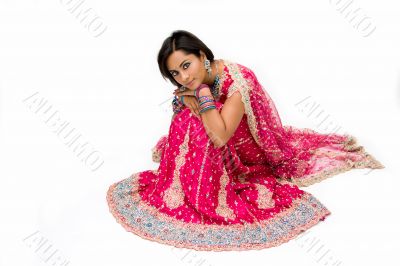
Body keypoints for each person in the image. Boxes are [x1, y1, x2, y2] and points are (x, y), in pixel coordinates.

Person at [106, 30, 384, 251]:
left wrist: (201, 94)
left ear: (202, 55)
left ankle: (205, 187)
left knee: (196, 120)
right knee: (187, 117)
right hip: (219, 134)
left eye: (186, 65)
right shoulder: (193, 81)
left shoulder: (237, 82)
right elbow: (184, 102)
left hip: (246, 149)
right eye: (175, 74)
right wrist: (189, 95)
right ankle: (189, 184)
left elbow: (221, 135)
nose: (184, 77)